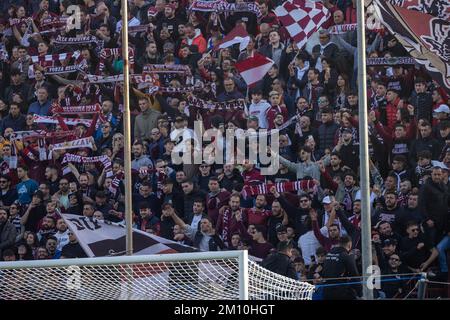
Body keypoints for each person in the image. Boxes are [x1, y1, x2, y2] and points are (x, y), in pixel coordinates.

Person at [322, 236, 360, 300]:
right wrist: (360, 293)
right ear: (349, 244)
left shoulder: (329, 253)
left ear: (339, 243)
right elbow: (355, 275)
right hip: (340, 291)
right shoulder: (346, 256)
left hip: (326, 290)